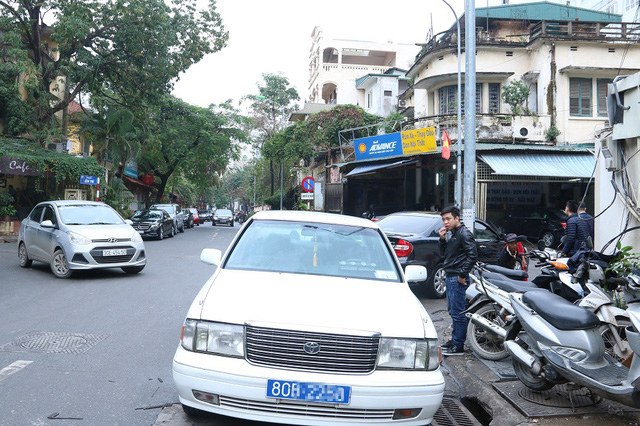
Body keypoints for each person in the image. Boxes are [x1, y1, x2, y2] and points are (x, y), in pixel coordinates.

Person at [438, 206, 478, 355]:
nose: (445, 222)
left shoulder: (464, 234)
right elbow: (445, 255)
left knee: (458, 312)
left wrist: (462, 275)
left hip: (457, 277)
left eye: (448, 219)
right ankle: (455, 340)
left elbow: (472, 255)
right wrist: (442, 240)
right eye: (443, 220)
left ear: (457, 218)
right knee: (453, 311)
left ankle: (458, 345)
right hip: (450, 276)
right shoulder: (452, 234)